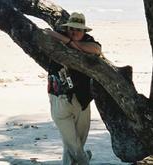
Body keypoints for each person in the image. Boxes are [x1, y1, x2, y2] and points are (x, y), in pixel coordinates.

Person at [45, 12, 101, 165]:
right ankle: (85, 161)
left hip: (82, 99)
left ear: (84, 31)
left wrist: (69, 42)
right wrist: (66, 40)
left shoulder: (88, 41)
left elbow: (96, 49)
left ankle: (78, 159)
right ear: (67, 28)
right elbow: (45, 34)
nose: (74, 32)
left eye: (78, 29)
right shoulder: (56, 38)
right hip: (59, 98)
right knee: (72, 143)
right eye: (71, 29)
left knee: (78, 141)